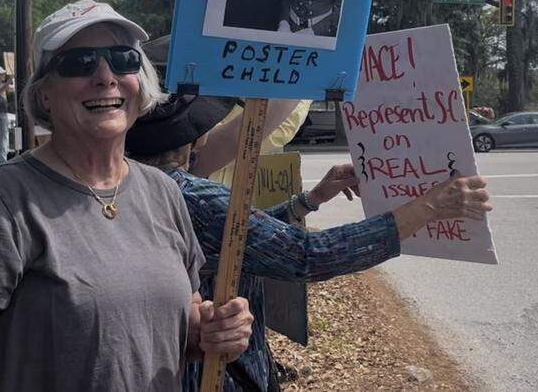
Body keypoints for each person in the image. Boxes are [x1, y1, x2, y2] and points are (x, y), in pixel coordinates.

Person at [0, 0, 253, 390]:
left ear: (141, 79)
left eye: (123, 59)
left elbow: (179, 322)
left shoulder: (164, 192)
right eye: (79, 63)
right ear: (44, 94)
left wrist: (214, 330)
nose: (105, 76)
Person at [124, 94, 493, 392]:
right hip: (213, 373)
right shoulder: (193, 196)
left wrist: (311, 199)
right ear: (195, 136)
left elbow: (236, 241)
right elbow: (306, 256)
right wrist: (429, 206)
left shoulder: (136, 187)